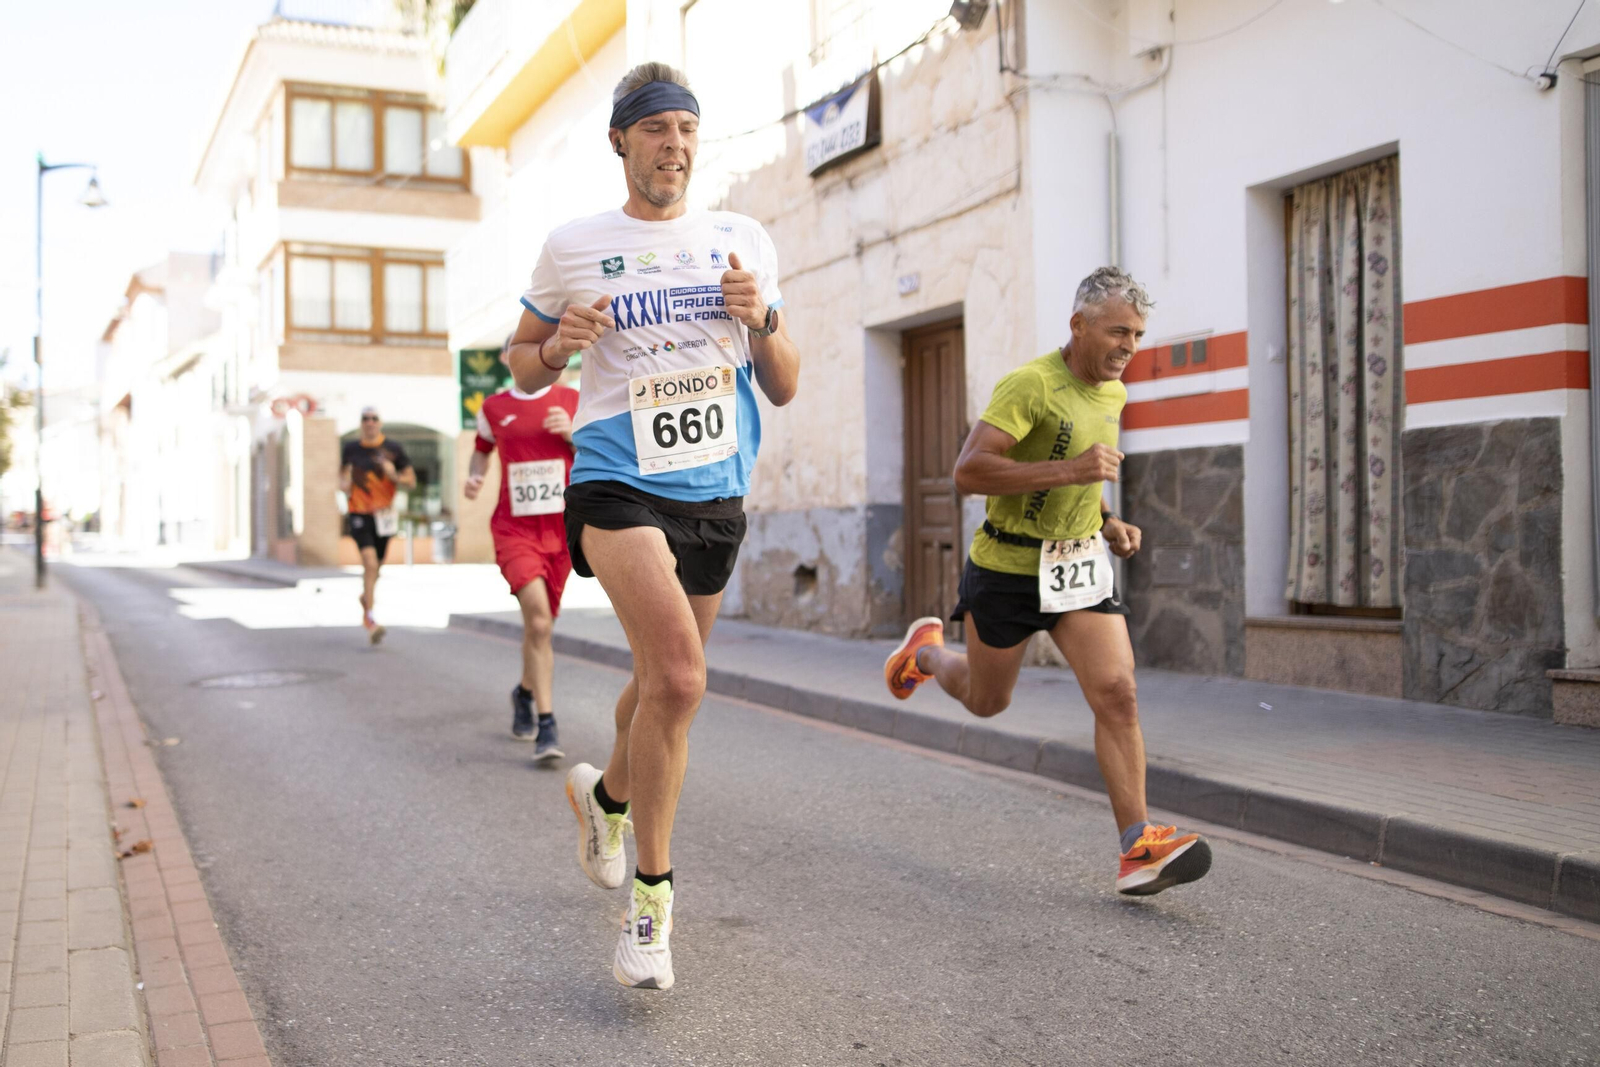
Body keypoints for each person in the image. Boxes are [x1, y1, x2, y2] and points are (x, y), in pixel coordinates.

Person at [504, 61, 800, 990]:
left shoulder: (740, 239)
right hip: (614, 478)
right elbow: (521, 366)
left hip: (713, 488)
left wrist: (764, 321)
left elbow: (784, 383)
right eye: (656, 129)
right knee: (680, 674)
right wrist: (558, 343)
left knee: (658, 691)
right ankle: (652, 908)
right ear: (620, 142)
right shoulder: (574, 245)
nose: (673, 145)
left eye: (685, 130)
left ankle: (606, 799)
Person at [883, 266, 1213, 898]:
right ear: (1079, 325)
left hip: (1077, 564)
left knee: (1118, 693)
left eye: (1138, 335)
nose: (1128, 347)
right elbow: (969, 472)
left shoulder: (1113, 394)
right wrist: (1070, 472)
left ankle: (1137, 847)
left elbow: (1086, 481)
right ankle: (925, 652)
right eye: (1118, 331)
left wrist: (1110, 520)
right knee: (986, 701)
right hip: (1006, 569)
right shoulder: (1031, 385)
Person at [465, 336, 580, 761]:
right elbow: (481, 453)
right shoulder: (493, 407)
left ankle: (524, 692)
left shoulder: (573, 399)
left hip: (562, 529)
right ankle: (547, 726)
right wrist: (474, 477)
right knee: (540, 622)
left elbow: (601, 455)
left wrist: (572, 436)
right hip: (515, 529)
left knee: (540, 626)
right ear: (507, 357)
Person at [340, 407, 415, 645]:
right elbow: (341, 478)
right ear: (361, 423)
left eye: (374, 418)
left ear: (380, 423)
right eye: (365, 418)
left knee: (377, 566)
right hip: (359, 513)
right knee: (370, 562)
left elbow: (411, 481)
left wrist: (393, 475)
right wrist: (344, 484)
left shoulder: (393, 449)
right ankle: (370, 619)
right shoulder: (351, 449)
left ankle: (366, 596)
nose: (370, 422)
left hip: (384, 516)